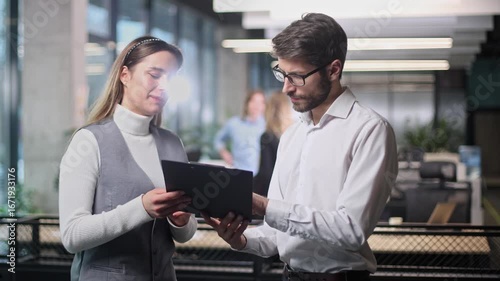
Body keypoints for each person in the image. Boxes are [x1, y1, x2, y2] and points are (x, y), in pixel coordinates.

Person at [203, 13, 398, 281]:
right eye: (282, 74)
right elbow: (276, 236)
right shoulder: (292, 136)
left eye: (296, 77)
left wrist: (265, 206)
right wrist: (241, 239)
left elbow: (350, 230)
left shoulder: (370, 130)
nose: (285, 88)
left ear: (333, 70)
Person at [58, 36, 197, 281]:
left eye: (171, 78)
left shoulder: (173, 143)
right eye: (154, 75)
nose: (164, 86)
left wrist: (181, 221)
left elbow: (184, 235)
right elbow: (71, 236)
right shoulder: (89, 141)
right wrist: (141, 207)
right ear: (125, 75)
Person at [213, 90, 266, 175]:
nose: (257, 106)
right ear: (247, 104)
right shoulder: (234, 123)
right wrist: (224, 153)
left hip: (260, 178)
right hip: (236, 173)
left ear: (264, 106)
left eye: (261, 102)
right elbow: (218, 140)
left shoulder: (267, 127)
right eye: (254, 101)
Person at [253, 91, 294, 197]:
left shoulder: (267, 137)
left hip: (271, 194)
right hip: (290, 194)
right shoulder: (294, 134)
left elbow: (265, 173)